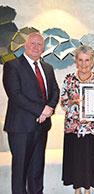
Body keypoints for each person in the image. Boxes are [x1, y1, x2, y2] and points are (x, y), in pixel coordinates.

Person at [2, 32, 59, 194]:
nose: (36, 47)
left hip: (42, 127)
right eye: (32, 43)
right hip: (20, 128)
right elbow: (15, 95)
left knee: (36, 171)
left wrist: (49, 109)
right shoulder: (12, 66)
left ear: (43, 48)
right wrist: (41, 110)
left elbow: (55, 91)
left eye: (39, 44)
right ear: (25, 46)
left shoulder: (48, 68)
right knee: (20, 172)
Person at [60, 45, 94, 194]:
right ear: (76, 61)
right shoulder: (69, 79)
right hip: (73, 129)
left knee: (89, 162)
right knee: (75, 161)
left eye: (87, 60)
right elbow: (63, 103)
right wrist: (73, 101)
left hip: (92, 130)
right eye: (80, 60)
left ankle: (88, 190)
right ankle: (77, 190)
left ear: (92, 62)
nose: (83, 64)